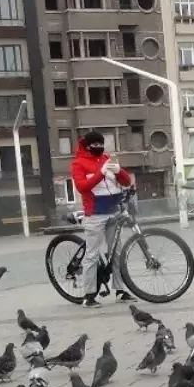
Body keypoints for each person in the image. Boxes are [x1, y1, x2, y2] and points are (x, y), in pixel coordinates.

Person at [71, 130, 134, 306]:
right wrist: (100, 173)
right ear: (88, 146)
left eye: (101, 144)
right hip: (95, 215)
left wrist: (119, 171)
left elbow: (126, 181)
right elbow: (82, 187)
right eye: (95, 145)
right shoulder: (79, 163)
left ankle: (121, 290)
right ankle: (89, 295)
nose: (99, 147)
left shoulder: (107, 159)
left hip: (113, 211)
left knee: (117, 252)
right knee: (91, 255)